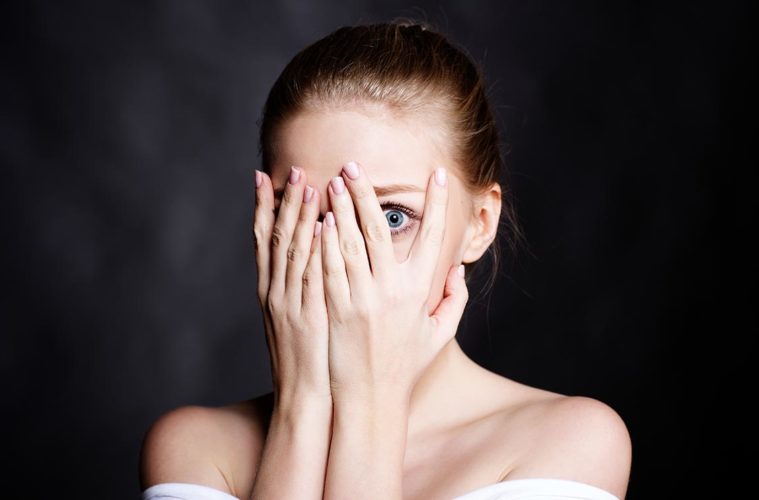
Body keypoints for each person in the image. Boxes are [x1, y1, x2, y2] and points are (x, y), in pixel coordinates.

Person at [139, 21, 632, 500]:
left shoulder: (569, 444)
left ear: (479, 224)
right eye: (304, 215)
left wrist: (368, 403)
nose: (339, 257)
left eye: (391, 217)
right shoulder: (197, 450)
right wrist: (301, 407)